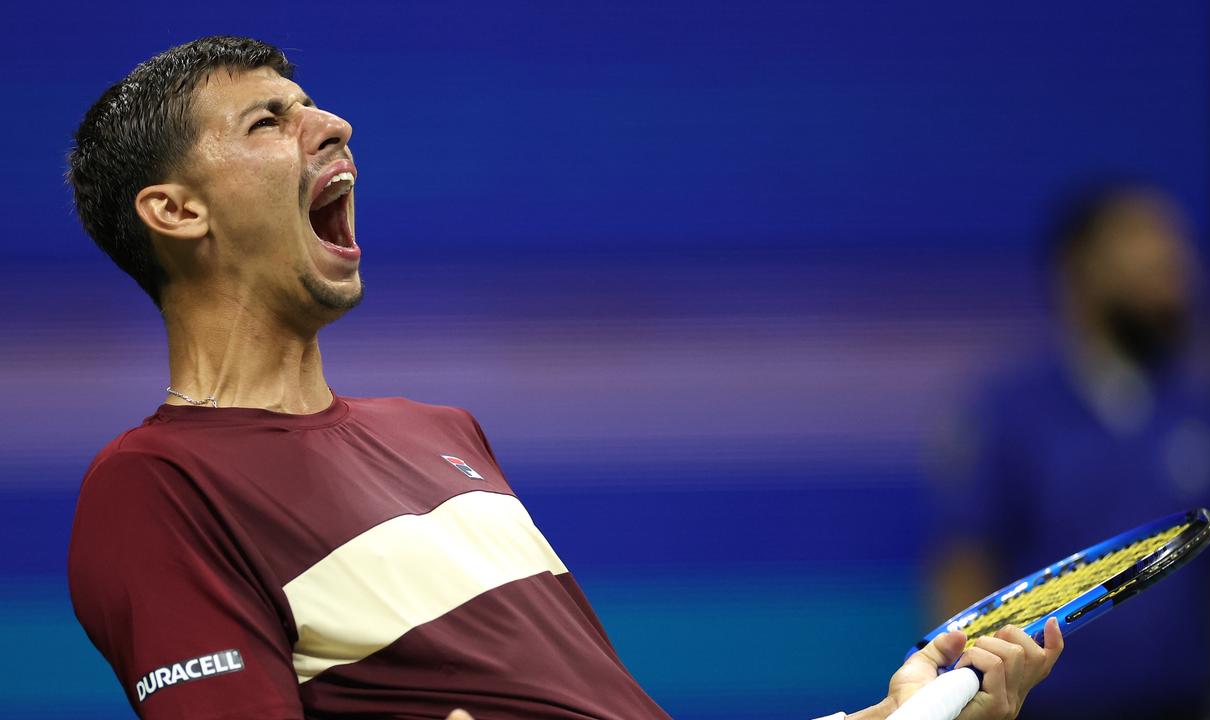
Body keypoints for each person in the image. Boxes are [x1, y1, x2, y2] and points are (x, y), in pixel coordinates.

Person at [66, 36, 1061, 720]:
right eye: (265, 123)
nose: (331, 125)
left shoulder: (440, 432)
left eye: (311, 104)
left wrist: (888, 712)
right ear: (176, 212)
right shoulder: (155, 489)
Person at [930, 184, 1210, 720]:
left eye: (1176, 256)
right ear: (1080, 269)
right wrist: (965, 698)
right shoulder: (1008, 412)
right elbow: (965, 569)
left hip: (1188, 704)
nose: (1174, 271)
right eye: (1145, 251)